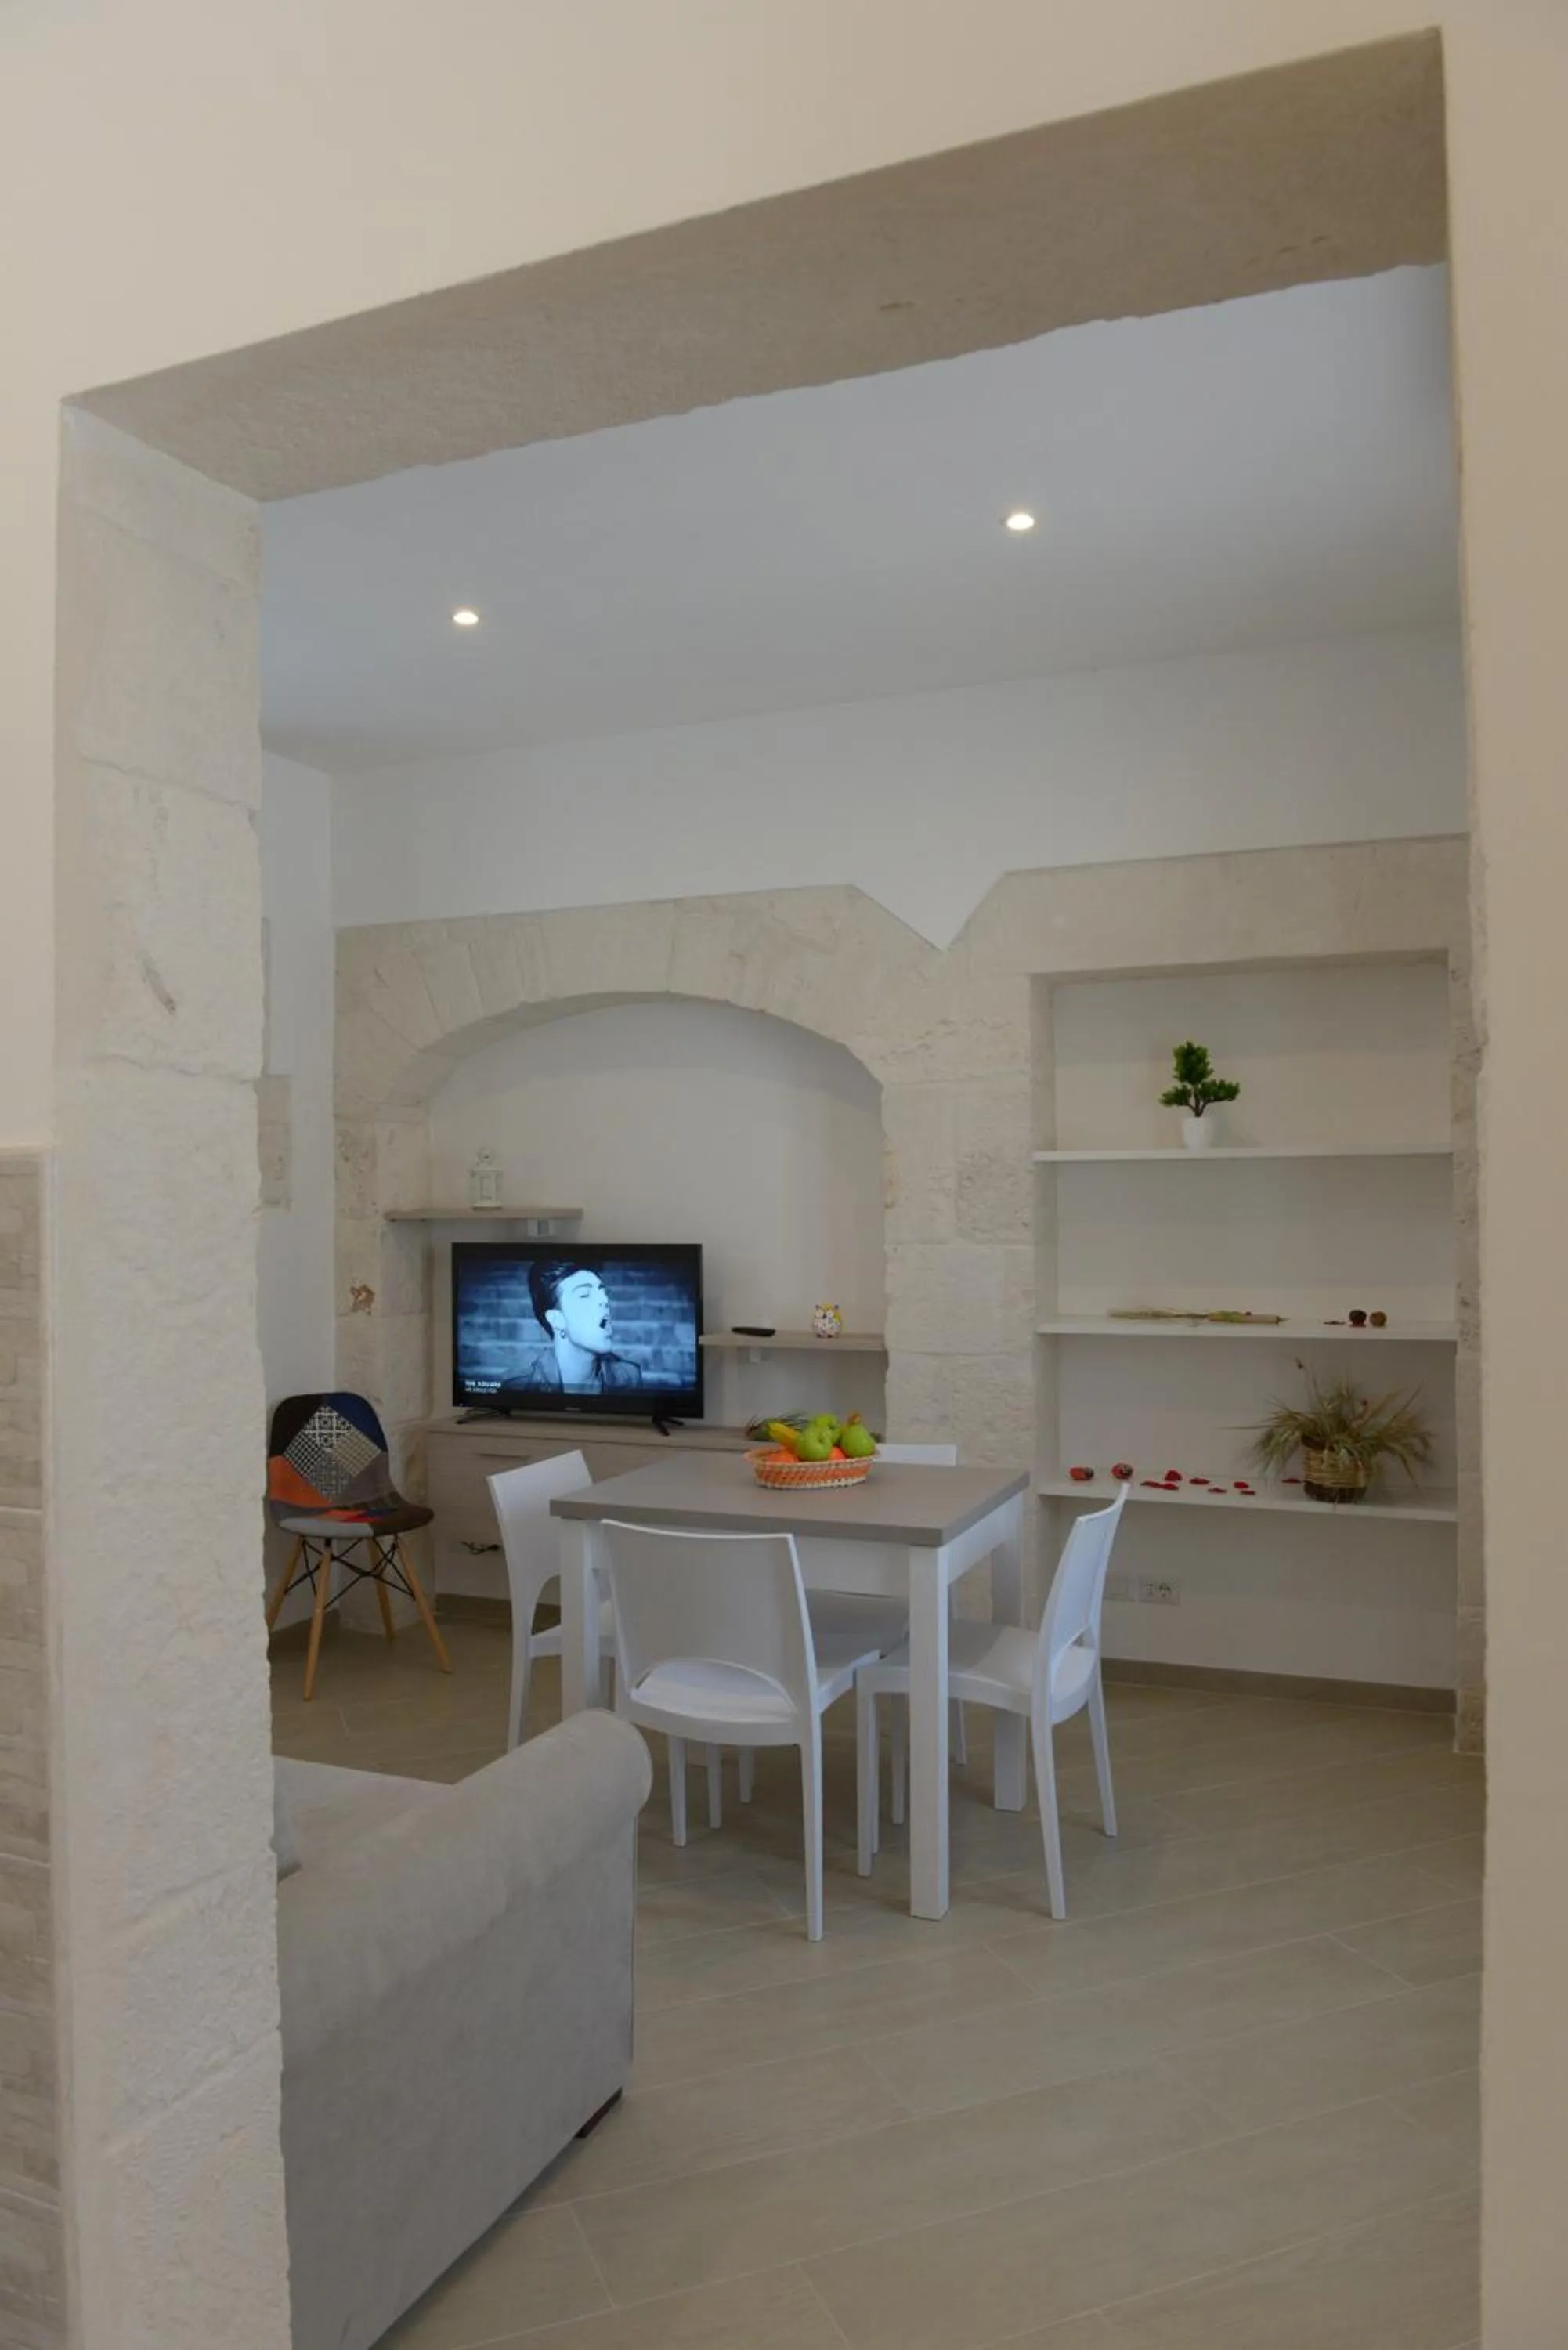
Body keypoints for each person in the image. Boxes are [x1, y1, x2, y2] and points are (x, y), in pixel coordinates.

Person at [497, 1260, 643, 1401]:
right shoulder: (519, 1386)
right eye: (585, 1295)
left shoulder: (630, 1377)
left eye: (602, 1291)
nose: (604, 1300)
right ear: (556, 1319)